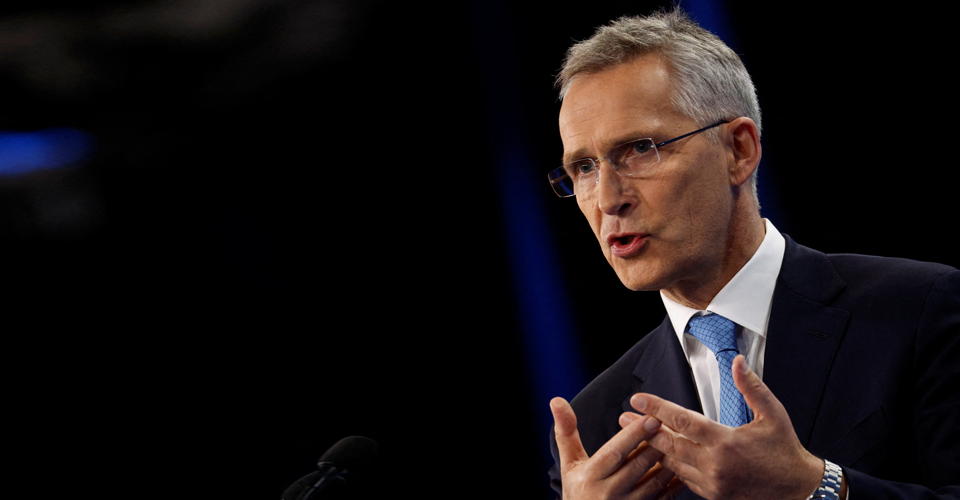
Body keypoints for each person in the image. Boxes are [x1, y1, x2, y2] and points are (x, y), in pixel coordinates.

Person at [545, 9, 959, 500]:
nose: (608, 198)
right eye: (584, 167)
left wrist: (816, 488)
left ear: (739, 150)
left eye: (639, 148)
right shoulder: (593, 428)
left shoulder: (920, 310)